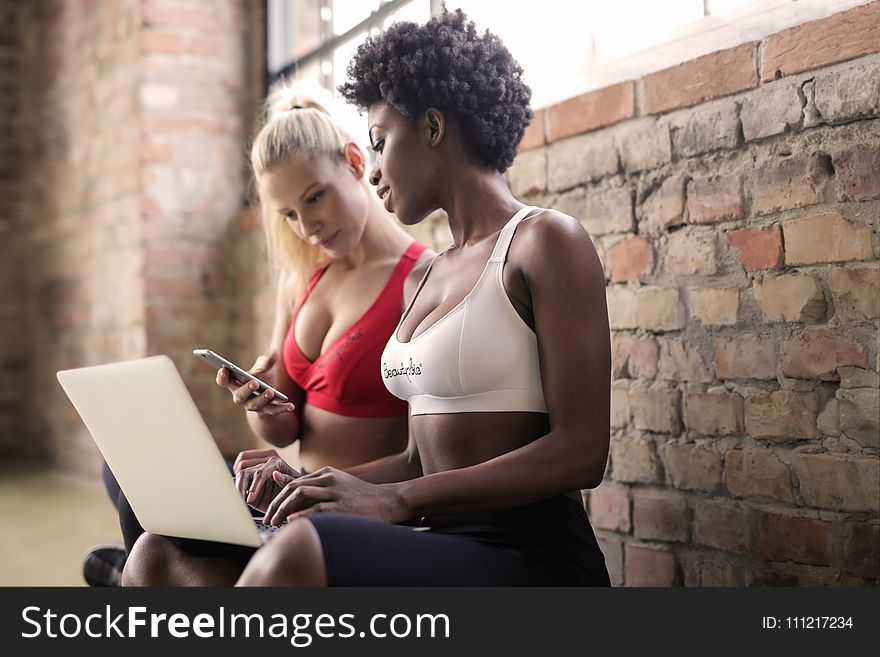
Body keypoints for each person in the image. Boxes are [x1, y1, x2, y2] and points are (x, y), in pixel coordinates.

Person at [123, 9, 611, 587]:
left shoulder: (545, 241)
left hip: (529, 550)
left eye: (379, 143)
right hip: (434, 530)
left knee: (299, 552)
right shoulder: (428, 279)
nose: (374, 171)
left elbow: (582, 452)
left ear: (432, 127)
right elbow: (416, 458)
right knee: (159, 554)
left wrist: (398, 501)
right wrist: (309, 481)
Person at [83, 82, 432, 586]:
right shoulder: (302, 281)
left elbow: (422, 457)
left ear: (356, 162)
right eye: (289, 214)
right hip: (284, 494)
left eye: (315, 198)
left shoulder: (419, 280)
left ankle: (130, 577)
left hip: (341, 504)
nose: (307, 226)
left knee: (156, 542)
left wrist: (313, 484)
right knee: (127, 473)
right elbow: (283, 429)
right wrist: (261, 405)